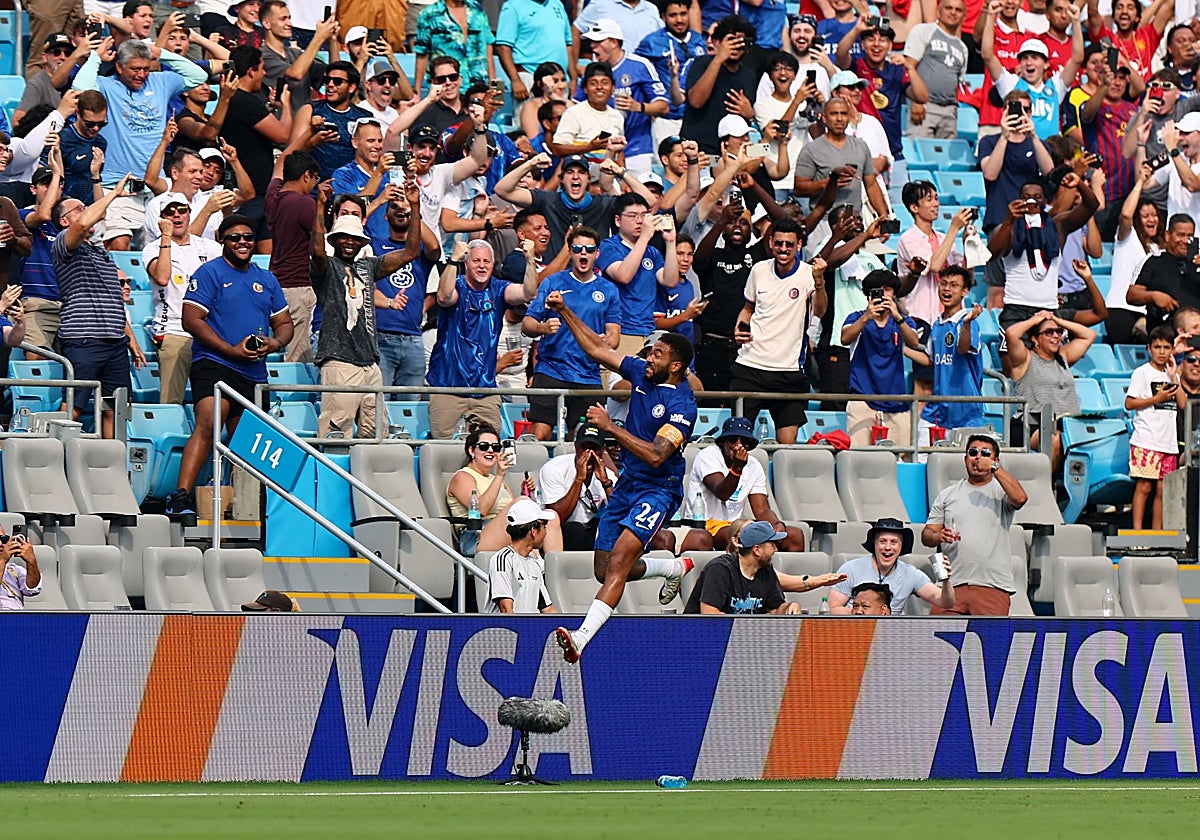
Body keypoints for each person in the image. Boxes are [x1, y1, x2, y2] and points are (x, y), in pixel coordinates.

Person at [547, 293, 697, 663]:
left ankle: (582, 638)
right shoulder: (640, 374)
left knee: (619, 562)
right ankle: (670, 567)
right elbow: (599, 351)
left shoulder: (682, 406)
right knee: (603, 569)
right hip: (629, 483)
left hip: (658, 489)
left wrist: (610, 426)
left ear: (675, 366)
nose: (649, 358)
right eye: (648, 352)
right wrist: (566, 310)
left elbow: (658, 455)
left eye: (657, 354)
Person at [166, 215, 294, 515]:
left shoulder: (266, 278)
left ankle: (246, 504)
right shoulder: (209, 272)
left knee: (245, 439)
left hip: (253, 370)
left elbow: (284, 323)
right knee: (209, 423)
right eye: (235, 237)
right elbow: (191, 319)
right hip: (215, 362)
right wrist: (230, 350)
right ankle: (181, 496)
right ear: (222, 239)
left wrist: (274, 343)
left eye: (248, 237)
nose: (242, 243)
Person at [310, 180, 423, 439]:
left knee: (377, 434)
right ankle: (332, 480)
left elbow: (411, 251)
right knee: (336, 433)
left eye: (354, 238)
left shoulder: (368, 266)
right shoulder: (325, 268)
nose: (349, 242)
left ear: (362, 242)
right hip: (339, 360)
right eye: (344, 237)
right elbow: (316, 250)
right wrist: (320, 205)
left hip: (370, 363)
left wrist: (415, 206)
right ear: (335, 239)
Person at [72, 38, 208, 249]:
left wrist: (161, 53)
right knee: (119, 244)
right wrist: (96, 57)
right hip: (117, 185)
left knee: (158, 250)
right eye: (135, 69)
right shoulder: (106, 86)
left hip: (154, 188)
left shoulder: (161, 81)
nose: (141, 75)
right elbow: (80, 87)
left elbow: (199, 76)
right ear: (119, 66)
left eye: (145, 68)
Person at [426, 237, 539, 439]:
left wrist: (530, 260)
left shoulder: (499, 289)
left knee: (489, 446)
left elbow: (528, 293)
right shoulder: (457, 286)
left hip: (485, 388)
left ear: (493, 264)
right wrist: (453, 261)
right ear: (467, 263)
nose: (481, 266)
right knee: (442, 448)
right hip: (447, 386)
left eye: (486, 262)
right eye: (476, 261)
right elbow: (443, 297)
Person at [727, 218, 826, 444]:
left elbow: (820, 310)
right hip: (750, 365)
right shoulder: (759, 270)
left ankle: (780, 481)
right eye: (779, 243)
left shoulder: (809, 274)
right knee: (738, 440)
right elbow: (748, 307)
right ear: (771, 242)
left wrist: (819, 282)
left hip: (788, 369)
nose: (783, 249)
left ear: (799, 245)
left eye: (789, 244)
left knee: (787, 444)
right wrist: (740, 326)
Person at [523, 226, 620, 440]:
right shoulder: (552, 282)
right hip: (551, 371)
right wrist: (542, 327)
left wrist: (606, 341)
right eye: (577, 248)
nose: (583, 253)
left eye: (588, 248)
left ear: (597, 253)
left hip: (588, 375)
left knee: (587, 439)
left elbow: (614, 337)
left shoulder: (609, 290)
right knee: (540, 435)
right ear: (570, 251)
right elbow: (527, 324)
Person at [50, 181, 129, 438]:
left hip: (115, 342)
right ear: (64, 221)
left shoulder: (98, 250)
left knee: (115, 410)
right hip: (84, 340)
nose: (87, 211)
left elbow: (94, 219)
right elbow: (82, 224)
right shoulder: (64, 244)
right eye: (79, 208)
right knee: (72, 409)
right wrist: (114, 193)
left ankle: (112, 468)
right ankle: (51, 463)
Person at [921, 434, 1029, 615]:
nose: (978, 457)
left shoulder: (1001, 491)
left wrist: (994, 468)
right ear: (965, 459)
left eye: (985, 453)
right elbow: (927, 535)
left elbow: (1020, 498)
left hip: (991, 586)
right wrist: (938, 536)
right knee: (937, 642)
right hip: (951, 586)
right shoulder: (947, 495)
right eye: (973, 452)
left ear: (995, 460)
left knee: (991, 643)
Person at [680, 416, 807, 553]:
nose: (738, 445)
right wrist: (737, 468)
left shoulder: (754, 465)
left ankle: (780, 574)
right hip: (706, 526)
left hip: (736, 525)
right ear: (723, 442)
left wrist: (776, 524)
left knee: (795, 536)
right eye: (733, 439)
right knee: (741, 534)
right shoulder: (707, 456)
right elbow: (721, 493)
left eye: (744, 441)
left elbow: (762, 510)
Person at [142, 193, 223, 405]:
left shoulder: (209, 247)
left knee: (210, 401)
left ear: (189, 213)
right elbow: (161, 277)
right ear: (161, 218)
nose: (176, 216)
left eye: (181, 210)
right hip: (174, 331)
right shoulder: (153, 248)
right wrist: (166, 237)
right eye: (169, 212)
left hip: (208, 332)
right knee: (171, 401)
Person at [842, 269, 925, 449]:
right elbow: (844, 338)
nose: (883, 294)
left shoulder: (903, 320)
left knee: (903, 457)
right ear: (867, 295)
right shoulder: (856, 317)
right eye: (876, 290)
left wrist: (897, 316)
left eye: (887, 289)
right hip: (862, 399)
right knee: (858, 455)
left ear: (894, 293)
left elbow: (913, 342)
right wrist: (866, 317)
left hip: (896, 401)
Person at [220, 46, 293, 248]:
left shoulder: (243, 101)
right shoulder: (243, 101)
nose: (265, 74)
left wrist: (270, 108)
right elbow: (282, 134)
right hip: (250, 194)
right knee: (243, 249)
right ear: (251, 71)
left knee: (265, 255)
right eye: (262, 68)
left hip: (258, 192)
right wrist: (286, 105)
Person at [372, 184, 440, 394]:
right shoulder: (374, 245)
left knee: (408, 408)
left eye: (405, 209)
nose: (400, 210)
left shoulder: (421, 251)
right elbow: (353, 223)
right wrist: (380, 200)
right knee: (377, 406)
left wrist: (415, 207)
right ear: (385, 216)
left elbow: (436, 248)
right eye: (394, 207)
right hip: (380, 337)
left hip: (413, 339)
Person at [576, 19, 668, 173]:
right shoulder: (591, 71)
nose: (592, 46)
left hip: (637, 149)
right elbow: (575, 105)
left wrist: (638, 106)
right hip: (601, 151)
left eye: (598, 42)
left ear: (614, 42)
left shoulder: (640, 65)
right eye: (592, 42)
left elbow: (663, 106)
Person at [1005, 310, 1094, 467]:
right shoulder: (1024, 359)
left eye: (1058, 332)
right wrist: (1036, 319)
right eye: (1048, 332)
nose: (1055, 336)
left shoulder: (1063, 357)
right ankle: (1046, 484)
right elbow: (1011, 333)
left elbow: (1089, 335)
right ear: (1035, 339)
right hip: (1032, 424)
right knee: (1055, 439)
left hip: (1065, 423)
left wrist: (1056, 320)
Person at [1125, 326, 1187, 530]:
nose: (1162, 352)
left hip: (1168, 443)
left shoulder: (1172, 374)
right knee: (1144, 486)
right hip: (1147, 440)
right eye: (1157, 347)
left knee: (1163, 489)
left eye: (1166, 347)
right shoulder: (1142, 373)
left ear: (1172, 350)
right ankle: (1137, 532)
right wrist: (1156, 398)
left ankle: (1156, 533)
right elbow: (1130, 403)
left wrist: (1174, 376)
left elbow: (1183, 403)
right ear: (1149, 348)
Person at [828, 517, 956, 614]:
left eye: (894, 542)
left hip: (890, 637)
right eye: (882, 542)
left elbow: (946, 602)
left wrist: (945, 581)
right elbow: (832, 608)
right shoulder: (851, 569)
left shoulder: (911, 574)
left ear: (901, 547)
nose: (888, 547)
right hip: (854, 632)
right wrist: (864, 614)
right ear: (874, 545)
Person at [919, 266, 984, 447]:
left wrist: (967, 323)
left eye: (954, 285)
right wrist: (901, 349)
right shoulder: (937, 325)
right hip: (936, 412)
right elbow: (931, 360)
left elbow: (963, 348)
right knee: (922, 459)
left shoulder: (969, 322)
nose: (947, 289)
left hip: (965, 414)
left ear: (965, 291)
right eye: (943, 284)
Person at [793, 97, 889, 219]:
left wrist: (883, 216)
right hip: (822, 221)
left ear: (849, 117)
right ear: (824, 118)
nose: (839, 119)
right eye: (834, 114)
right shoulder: (811, 149)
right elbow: (799, 188)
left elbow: (871, 185)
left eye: (843, 114)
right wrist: (828, 183)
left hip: (854, 221)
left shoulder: (861, 146)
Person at [683, 520, 801, 615]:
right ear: (757, 550)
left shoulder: (766, 570)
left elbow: (775, 609)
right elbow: (710, 614)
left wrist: (789, 608)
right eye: (772, 544)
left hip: (742, 639)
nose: (776, 549)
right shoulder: (720, 570)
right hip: (700, 638)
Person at [681, 14, 759, 154]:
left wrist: (749, 114)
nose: (735, 46)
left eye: (740, 41)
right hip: (698, 150)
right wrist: (718, 59)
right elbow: (696, 101)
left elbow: (748, 119)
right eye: (730, 40)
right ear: (717, 42)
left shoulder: (749, 76)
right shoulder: (701, 63)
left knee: (764, 153)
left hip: (731, 152)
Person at [635, 0, 708, 147]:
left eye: (683, 14)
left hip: (697, 118)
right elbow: (639, 74)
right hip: (667, 119)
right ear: (663, 17)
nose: (679, 20)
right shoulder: (651, 43)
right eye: (673, 15)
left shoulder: (699, 40)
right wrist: (651, 106)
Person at [539, 423, 619, 551]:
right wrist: (578, 480)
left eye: (594, 448)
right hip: (558, 531)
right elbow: (557, 517)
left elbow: (620, 511)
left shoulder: (606, 474)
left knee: (606, 526)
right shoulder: (554, 468)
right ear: (576, 447)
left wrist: (605, 482)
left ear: (602, 450)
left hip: (588, 529)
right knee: (575, 529)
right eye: (584, 447)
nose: (589, 453)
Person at [1107, 167, 1161, 346]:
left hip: (1147, 313)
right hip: (1122, 311)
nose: (1151, 220)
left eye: (1154, 215)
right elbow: (1125, 214)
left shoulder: (1158, 249)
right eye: (1145, 216)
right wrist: (1140, 182)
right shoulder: (1128, 238)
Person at [903, 0, 968, 139]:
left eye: (958, 10)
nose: (953, 12)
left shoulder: (963, 48)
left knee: (947, 160)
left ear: (964, 16)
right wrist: (916, 101)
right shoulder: (923, 31)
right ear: (939, 10)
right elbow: (908, 67)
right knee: (919, 152)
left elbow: (957, 82)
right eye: (949, 8)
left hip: (949, 111)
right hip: (925, 107)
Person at [486, 497, 559, 614]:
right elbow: (506, 610)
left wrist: (566, 628)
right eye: (544, 525)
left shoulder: (534, 564)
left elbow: (548, 609)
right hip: (503, 631)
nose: (546, 532)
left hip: (526, 630)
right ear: (533, 531)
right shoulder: (503, 560)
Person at [1128, 214, 1200, 333]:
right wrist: (1154, 296)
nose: (1185, 241)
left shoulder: (1197, 263)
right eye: (1181, 235)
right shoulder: (1154, 260)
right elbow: (1132, 295)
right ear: (1168, 235)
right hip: (1165, 334)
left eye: (1190, 236)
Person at [494, 0, 572, 99]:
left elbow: (568, 44)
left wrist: (572, 78)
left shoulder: (557, 3)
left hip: (559, 79)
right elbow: (503, 47)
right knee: (529, 113)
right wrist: (516, 80)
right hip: (529, 76)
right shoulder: (512, 6)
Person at [413, 0, 495, 92]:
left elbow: (488, 48)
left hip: (479, 88)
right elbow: (422, 54)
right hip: (446, 88)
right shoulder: (429, 14)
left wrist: (493, 85)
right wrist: (417, 92)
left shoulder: (477, 9)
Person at [56, 88, 107, 205]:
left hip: (90, 210)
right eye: (90, 124)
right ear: (78, 114)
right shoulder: (61, 139)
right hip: (64, 210)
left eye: (101, 124)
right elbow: (45, 180)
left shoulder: (101, 142)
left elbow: (96, 180)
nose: (96, 128)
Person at [0, 532, 40, 610]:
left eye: (3, 539)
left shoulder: (13, 569)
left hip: (18, 619)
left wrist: (31, 562)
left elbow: (32, 588)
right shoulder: (3, 561)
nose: (1, 544)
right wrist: (3, 560)